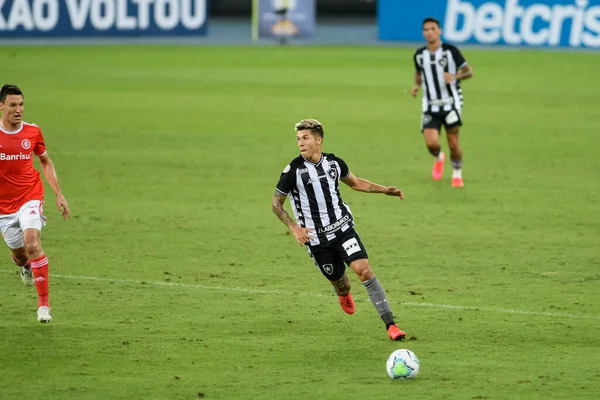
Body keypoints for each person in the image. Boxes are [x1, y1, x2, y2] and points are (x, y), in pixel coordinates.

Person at [271, 119, 407, 341]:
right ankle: (343, 295)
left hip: (342, 229)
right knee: (342, 284)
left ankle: (391, 325)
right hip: (316, 240)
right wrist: (294, 227)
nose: (301, 143)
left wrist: (384, 190)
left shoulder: (334, 163)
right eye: (298, 139)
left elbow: (355, 183)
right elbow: (276, 204)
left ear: (318, 140)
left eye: (305, 138)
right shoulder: (292, 171)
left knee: (364, 270)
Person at [0, 84, 71, 323]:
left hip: (30, 195)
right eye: (13, 105)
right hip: (3, 206)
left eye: (21, 104)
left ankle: (43, 306)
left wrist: (58, 194)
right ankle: (25, 267)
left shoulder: (32, 132)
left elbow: (46, 162)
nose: (18, 109)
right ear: (1, 106)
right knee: (21, 255)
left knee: (32, 244)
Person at [411, 17, 473, 188]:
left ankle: (457, 173)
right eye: (426, 30)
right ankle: (439, 157)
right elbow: (419, 73)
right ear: (423, 33)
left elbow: (469, 72)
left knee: (453, 142)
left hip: (451, 103)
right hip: (430, 105)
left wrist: (454, 76)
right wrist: (416, 86)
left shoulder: (451, 51)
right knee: (431, 144)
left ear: (439, 31)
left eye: (433, 29)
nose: (429, 32)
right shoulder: (419, 54)